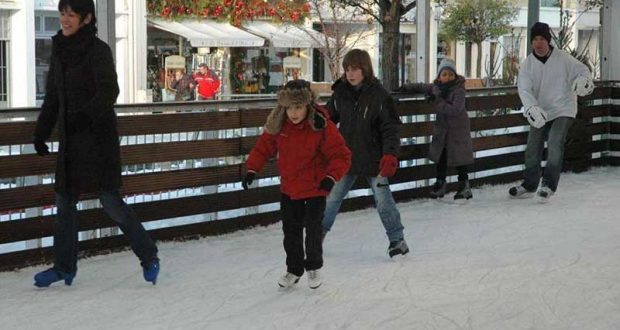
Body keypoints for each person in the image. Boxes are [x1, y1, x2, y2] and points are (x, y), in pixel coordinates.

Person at [32, 0, 159, 287]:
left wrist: (84, 117)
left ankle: (149, 255)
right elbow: (52, 95)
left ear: (86, 18)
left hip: (98, 141)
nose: (65, 19)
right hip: (70, 142)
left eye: (71, 15)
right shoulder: (59, 50)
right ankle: (64, 268)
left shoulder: (98, 50)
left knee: (111, 202)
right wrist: (41, 132)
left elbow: (109, 91)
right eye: (62, 13)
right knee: (64, 202)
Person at [242, 80, 351, 289]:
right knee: (290, 232)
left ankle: (313, 267)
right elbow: (263, 147)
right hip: (290, 189)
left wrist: (330, 178)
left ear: (307, 105)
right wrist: (252, 169)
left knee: (312, 230)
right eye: (289, 107)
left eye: (298, 107)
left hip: (315, 188)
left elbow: (341, 155)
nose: (293, 113)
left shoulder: (320, 124)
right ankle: (294, 269)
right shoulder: (279, 124)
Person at [321, 49, 409, 258]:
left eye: (355, 69)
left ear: (365, 69)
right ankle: (317, 236)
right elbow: (328, 118)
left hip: (374, 157)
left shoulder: (379, 95)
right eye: (347, 70)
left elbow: (391, 127)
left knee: (383, 199)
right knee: (332, 197)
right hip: (346, 156)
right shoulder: (340, 93)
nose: (350, 74)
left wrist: (390, 155)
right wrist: (315, 118)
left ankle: (397, 240)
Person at [509, 22, 593, 201]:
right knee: (533, 147)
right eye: (535, 40)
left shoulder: (563, 58)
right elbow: (524, 89)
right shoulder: (528, 65)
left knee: (555, 142)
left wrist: (583, 81)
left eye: (542, 39)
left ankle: (548, 185)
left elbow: (583, 71)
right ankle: (530, 184)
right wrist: (531, 107)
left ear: (548, 41)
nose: (538, 43)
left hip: (563, 108)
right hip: (540, 111)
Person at [400, 59, 474, 200]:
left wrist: (437, 101)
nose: (448, 77)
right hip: (443, 131)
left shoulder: (459, 90)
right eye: (444, 74)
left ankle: (464, 186)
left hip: (457, 131)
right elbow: (423, 86)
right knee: (441, 157)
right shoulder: (436, 87)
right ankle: (440, 184)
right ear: (439, 76)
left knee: (460, 159)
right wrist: (406, 87)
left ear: (455, 76)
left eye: (451, 74)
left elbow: (455, 110)